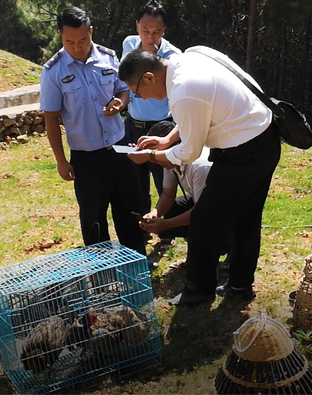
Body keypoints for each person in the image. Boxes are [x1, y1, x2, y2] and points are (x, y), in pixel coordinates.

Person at [118, 46, 281, 305]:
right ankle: (240, 286)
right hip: (263, 138)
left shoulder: (183, 90)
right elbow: (195, 116)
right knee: (246, 218)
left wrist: (149, 157)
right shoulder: (190, 57)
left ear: (148, 77)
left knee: (204, 219)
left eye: (139, 93)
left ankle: (199, 290)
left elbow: (190, 152)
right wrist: (167, 139)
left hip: (244, 151)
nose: (144, 99)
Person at [39, 7, 145, 256]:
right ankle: (102, 273)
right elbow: (51, 119)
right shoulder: (53, 71)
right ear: (61, 37)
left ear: (91, 31)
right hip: (87, 157)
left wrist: (120, 102)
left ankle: (136, 262)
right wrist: (61, 160)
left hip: (119, 147)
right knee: (93, 218)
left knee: (129, 209)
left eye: (83, 40)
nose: (77, 47)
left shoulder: (108, 57)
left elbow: (124, 89)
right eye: (69, 42)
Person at [121, 0, 182, 236]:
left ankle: (167, 231)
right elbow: (126, 81)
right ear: (137, 26)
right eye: (145, 30)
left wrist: (169, 136)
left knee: (165, 181)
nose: (150, 36)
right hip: (134, 124)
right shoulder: (129, 45)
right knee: (136, 183)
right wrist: (123, 102)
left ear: (164, 30)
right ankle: (143, 228)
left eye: (156, 32)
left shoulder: (173, 56)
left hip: (162, 128)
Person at [138, 121, 231, 258]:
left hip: (227, 206)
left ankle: (225, 249)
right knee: (174, 209)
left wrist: (165, 225)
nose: (155, 160)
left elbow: (202, 211)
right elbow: (168, 195)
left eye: (157, 154)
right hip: (203, 201)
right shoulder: (169, 161)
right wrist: (154, 213)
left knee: (201, 222)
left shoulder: (200, 167)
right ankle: (197, 249)